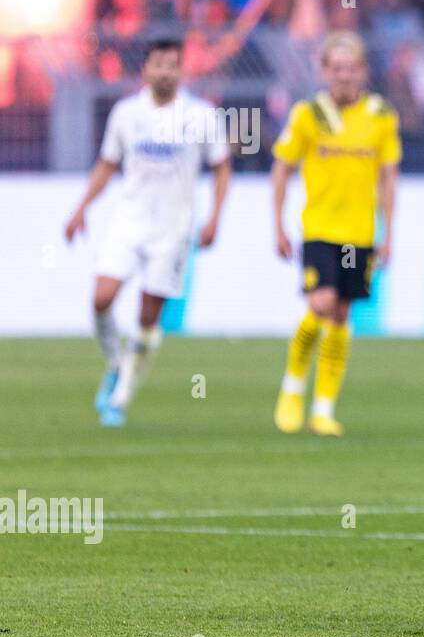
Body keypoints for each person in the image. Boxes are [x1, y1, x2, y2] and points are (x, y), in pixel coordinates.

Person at [63, 38, 231, 426]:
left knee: (146, 319)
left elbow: (222, 166)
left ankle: (119, 399)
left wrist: (215, 217)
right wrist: (81, 208)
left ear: (181, 71)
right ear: (146, 70)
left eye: (173, 65)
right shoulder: (126, 113)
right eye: (159, 64)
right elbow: (108, 164)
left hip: (173, 231)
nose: (166, 72)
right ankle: (115, 364)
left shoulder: (201, 116)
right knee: (101, 298)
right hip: (129, 220)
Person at [271, 32, 401, 437]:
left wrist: (389, 233)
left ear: (363, 71)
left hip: (360, 234)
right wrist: (277, 223)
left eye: (352, 68)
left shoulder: (381, 115)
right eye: (337, 69)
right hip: (320, 229)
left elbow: (388, 177)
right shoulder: (309, 114)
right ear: (324, 71)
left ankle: (323, 408)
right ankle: (293, 387)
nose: (345, 76)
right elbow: (281, 167)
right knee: (322, 302)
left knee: (342, 314)